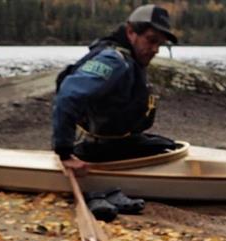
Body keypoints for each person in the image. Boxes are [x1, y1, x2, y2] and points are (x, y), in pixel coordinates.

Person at [51, 4, 180, 220]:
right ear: (130, 32)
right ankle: (97, 187)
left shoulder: (128, 59)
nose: (155, 49)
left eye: (160, 44)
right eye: (151, 40)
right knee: (165, 150)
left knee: (167, 145)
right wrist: (64, 153)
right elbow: (68, 95)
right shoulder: (114, 60)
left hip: (116, 143)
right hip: (98, 151)